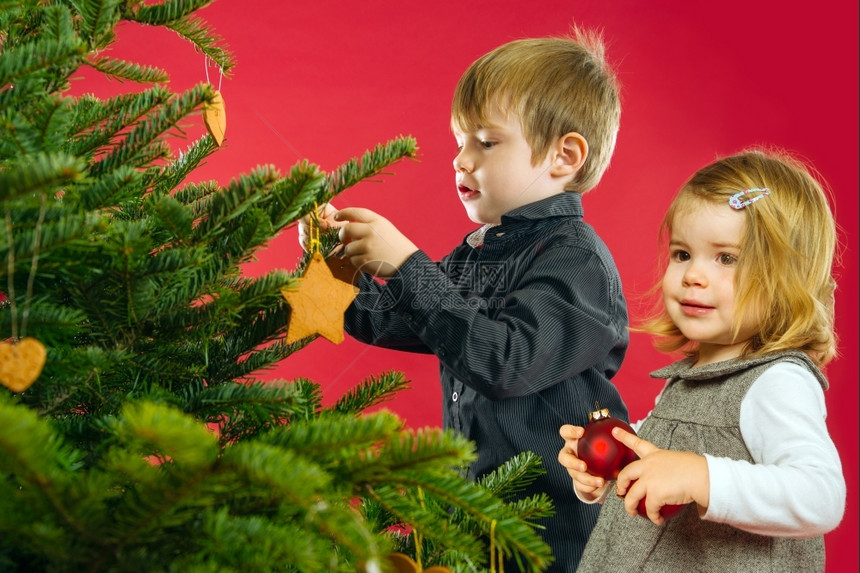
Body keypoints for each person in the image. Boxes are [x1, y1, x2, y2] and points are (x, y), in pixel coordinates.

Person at [299, 30, 628, 571]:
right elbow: (388, 321)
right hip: (474, 509)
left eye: (486, 142)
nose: (461, 160)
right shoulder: (481, 250)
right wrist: (332, 261)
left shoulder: (579, 262)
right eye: (458, 142)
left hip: (553, 527)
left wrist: (407, 264)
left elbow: (504, 361)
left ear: (563, 156)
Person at [558, 149, 846, 572]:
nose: (693, 275)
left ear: (787, 279)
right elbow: (669, 454)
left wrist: (702, 477)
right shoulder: (692, 376)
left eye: (726, 258)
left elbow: (820, 495)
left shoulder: (777, 381)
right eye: (682, 254)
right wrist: (612, 465)